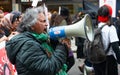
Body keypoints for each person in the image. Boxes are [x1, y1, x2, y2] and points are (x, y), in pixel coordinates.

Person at [5, 6, 69, 75]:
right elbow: (48, 68)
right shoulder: (27, 45)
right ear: (32, 25)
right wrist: (61, 47)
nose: (46, 24)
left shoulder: (39, 39)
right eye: (43, 21)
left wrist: (55, 44)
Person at [93, 5, 119, 75]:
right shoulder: (111, 28)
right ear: (109, 16)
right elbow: (115, 46)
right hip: (108, 60)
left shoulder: (95, 27)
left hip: (96, 59)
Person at [50, 7, 75, 72]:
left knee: (65, 62)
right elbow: (64, 34)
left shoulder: (56, 19)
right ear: (67, 14)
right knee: (71, 61)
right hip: (63, 44)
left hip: (57, 45)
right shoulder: (63, 21)